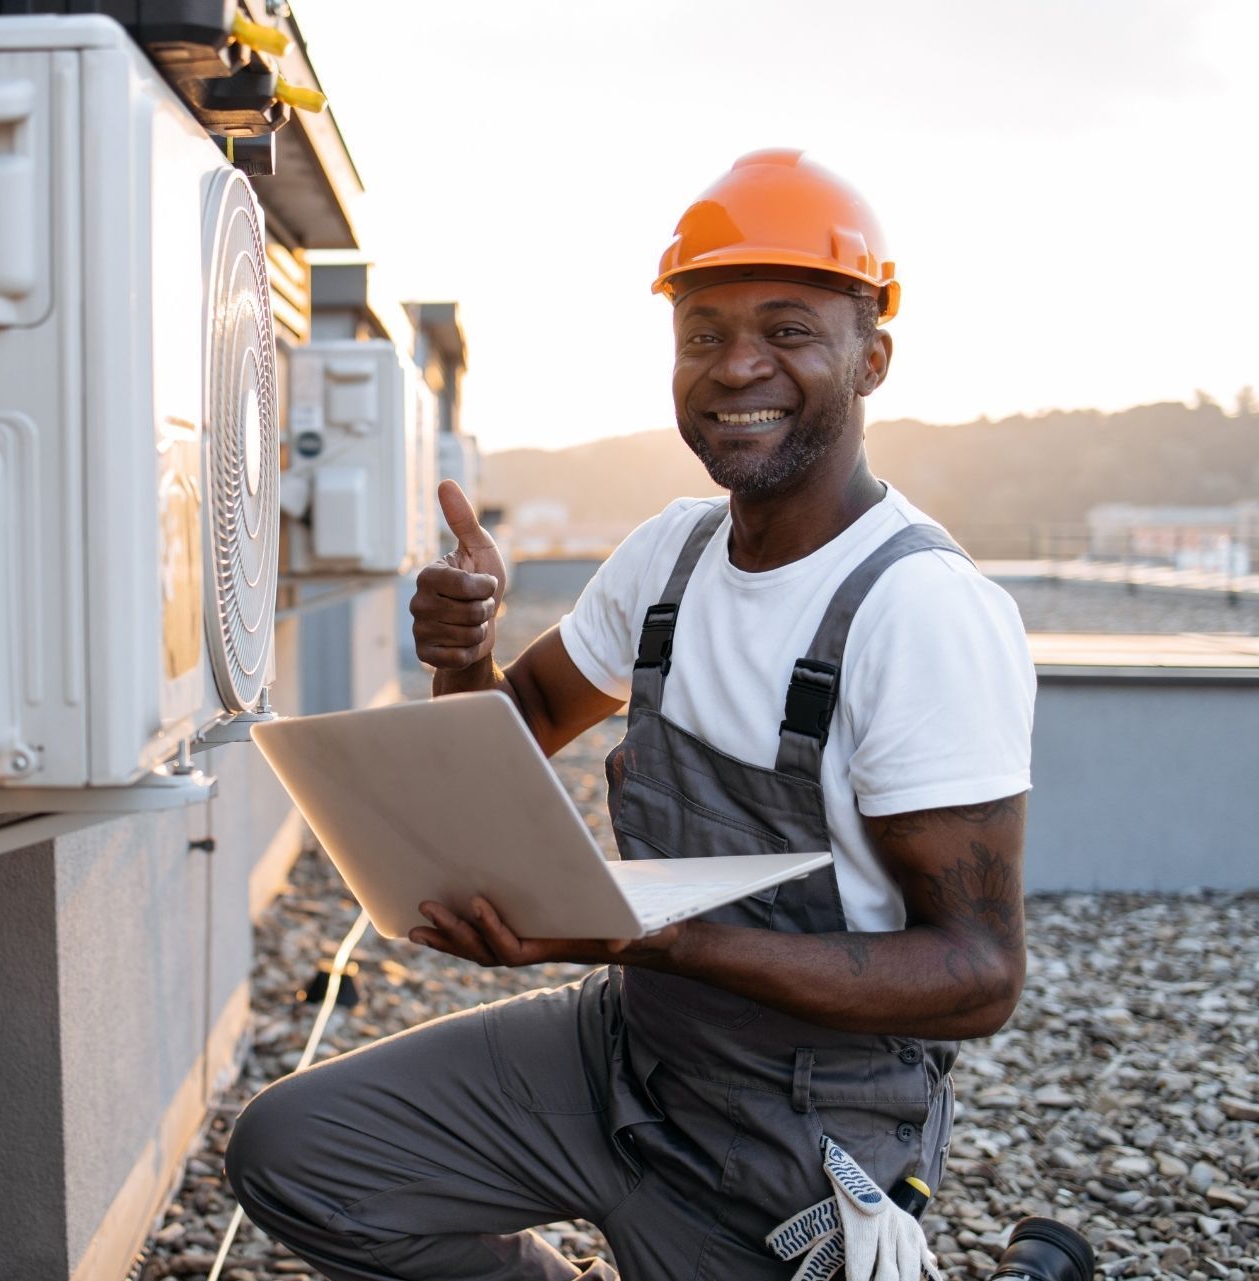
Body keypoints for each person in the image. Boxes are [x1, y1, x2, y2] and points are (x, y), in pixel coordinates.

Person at [224, 149, 1038, 1281]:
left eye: (790, 329)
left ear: (873, 358)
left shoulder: (921, 614)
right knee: (301, 1152)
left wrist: (660, 939)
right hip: (628, 1046)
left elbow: (977, 976)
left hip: (797, 1125)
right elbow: (503, 742)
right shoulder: (671, 554)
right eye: (704, 332)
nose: (737, 364)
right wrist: (466, 655)